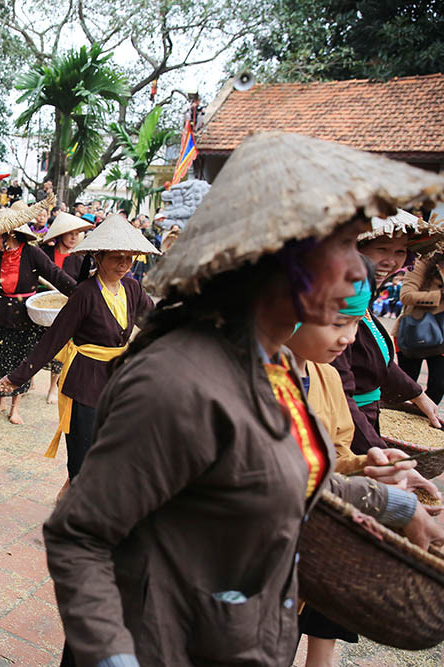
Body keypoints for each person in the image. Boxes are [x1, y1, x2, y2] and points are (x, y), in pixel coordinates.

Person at [43, 132, 444, 667]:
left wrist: (397, 505)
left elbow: (281, 482)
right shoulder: (175, 381)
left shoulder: (277, 366)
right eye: (344, 246)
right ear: (278, 256)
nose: (359, 271)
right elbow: (81, 536)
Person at [286, 278, 441, 667]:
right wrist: (389, 501)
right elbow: (285, 476)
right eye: (338, 322)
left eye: (356, 323)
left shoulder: (327, 376)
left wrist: (368, 466)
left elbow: (332, 456)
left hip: (300, 546)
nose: (349, 338)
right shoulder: (255, 381)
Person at [1, 214, 157, 494]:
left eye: (129, 258)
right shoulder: (85, 293)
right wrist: (17, 377)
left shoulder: (133, 288)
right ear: (99, 257)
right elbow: (53, 339)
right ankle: (74, 498)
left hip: (117, 382)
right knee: (82, 452)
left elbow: (155, 323)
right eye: (117, 257)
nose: (124, 264)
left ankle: (74, 493)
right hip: (85, 382)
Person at [333, 211, 443, 455]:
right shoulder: (339, 303)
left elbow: (377, 360)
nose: (391, 261)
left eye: (400, 252)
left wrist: (419, 395)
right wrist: (380, 454)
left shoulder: (363, 298)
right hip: (346, 424)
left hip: (364, 417)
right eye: (381, 249)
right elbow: (338, 392)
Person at [0, 214, 76, 424]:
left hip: (23, 317)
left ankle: (15, 408)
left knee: (19, 361)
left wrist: (79, 294)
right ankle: (1, 402)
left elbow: (55, 274)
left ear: (9, 234)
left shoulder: (31, 253)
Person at [37, 211, 96, 403]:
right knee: (34, 344)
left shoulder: (81, 259)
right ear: (61, 234)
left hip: (67, 309)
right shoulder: (44, 253)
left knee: (60, 347)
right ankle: (28, 379)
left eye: (77, 234)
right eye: (70, 233)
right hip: (42, 307)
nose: (74, 237)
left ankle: (52, 388)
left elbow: (83, 285)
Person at [398, 246, 444, 404]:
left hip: (442, 335)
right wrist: (439, 295)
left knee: (439, 386)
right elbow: (405, 295)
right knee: (405, 385)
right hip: (416, 330)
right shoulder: (423, 261)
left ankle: (422, 416)